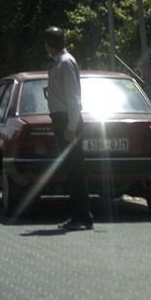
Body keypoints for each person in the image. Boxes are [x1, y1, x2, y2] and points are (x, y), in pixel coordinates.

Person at [43, 27, 92, 231]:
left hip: (67, 121)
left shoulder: (65, 62)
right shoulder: (57, 63)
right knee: (71, 171)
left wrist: (71, 127)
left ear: (49, 43)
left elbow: (73, 98)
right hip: (60, 119)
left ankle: (83, 218)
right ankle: (76, 216)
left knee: (76, 171)